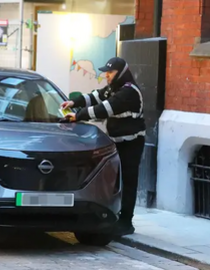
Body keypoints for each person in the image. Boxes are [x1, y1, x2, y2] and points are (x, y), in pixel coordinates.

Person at [61, 57, 145, 237]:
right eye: (106, 72)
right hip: (117, 141)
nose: (106, 76)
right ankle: (114, 217)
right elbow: (95, 96)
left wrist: (78, 116)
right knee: (115, 181)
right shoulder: (113, 88)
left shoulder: (129, 92)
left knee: (128, 181)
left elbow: (105, 108)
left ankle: (126, 222)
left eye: (110, 72)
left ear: (120, 73)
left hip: (132, 143)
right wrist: (74, 103)